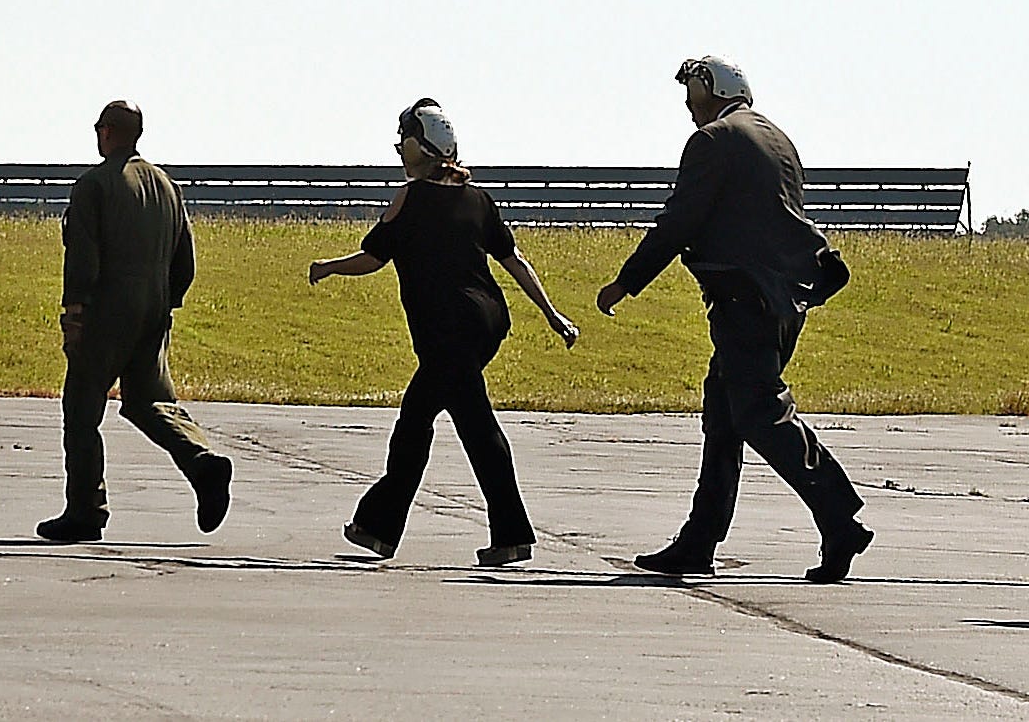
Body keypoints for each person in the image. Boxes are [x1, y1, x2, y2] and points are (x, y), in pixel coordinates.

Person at [596, 56, 871, 581]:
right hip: (782, 299)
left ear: (712, 90)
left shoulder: (715, 141)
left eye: (692, 94)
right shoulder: (776, 139)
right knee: (723, 416)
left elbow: (680, 221)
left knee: (759, 412)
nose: (686, 106)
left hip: (746, 299)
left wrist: (627, 281)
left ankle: (840, 517)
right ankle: (699, 541)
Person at [307, 98, 577, 566]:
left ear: (423, 147)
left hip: (448, 329)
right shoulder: (477, 199)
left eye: (404, 139)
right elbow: (513, 261)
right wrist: (551, 314)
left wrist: (328, 267)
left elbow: (373, 257)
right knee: (417, 424)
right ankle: (378, 529)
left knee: (469, 427)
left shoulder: (409, 199)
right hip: (486, 321)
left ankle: (506, 534)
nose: (398, 146)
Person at [41, 98, 234, 543]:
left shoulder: (95, 185)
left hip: (108, 311)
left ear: (107, 132)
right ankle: (202, 461)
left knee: (82, 407)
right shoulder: (167, 186)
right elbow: (185, 260)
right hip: (154, 311)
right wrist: (166, 302)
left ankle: (86, 510)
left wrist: (74, 313)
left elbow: (83, 257)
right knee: (150, 402)